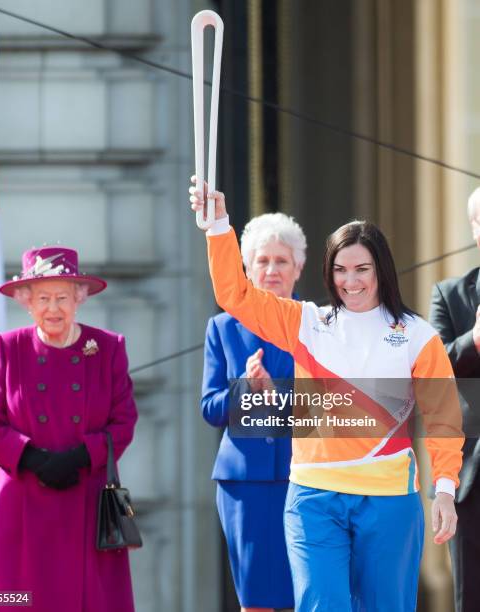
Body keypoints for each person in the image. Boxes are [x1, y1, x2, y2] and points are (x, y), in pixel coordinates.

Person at [190, 180, 463, 612]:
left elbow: (445, 419)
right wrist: (219, 225)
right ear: (327, 272)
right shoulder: (307, 323)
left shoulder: (417, 336)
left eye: (362, 269)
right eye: (340, 269)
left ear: (382, 270)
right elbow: (234, 295)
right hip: (314, 497)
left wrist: (444, 490)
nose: (350, 281)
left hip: (389, 498)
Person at [0, 246, 138, 612]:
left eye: (62, 297)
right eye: (43, 298)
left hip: (88, 500)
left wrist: (82, 456)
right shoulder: (9, 347)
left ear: (79, 299)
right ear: (26, 302)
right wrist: (30, 457)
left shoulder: (108, 348)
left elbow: (124, 420)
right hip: (23, 503)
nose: (53, 308)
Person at [202, 212, 306, 612]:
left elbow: (331, 402)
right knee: (257, 599)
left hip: (306, 475)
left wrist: (273, 391)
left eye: (282, 261)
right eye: (262, 261)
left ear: (298, 267)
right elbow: (209, 407)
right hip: (244, 484)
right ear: (245, 267)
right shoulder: (223, 328)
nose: (272, 270)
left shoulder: (317, 324)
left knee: (308, 592)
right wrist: (246, 390)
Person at [429, 186, 480, 612]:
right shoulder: (449, 295)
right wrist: (475, 339)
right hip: (470, 477)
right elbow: (432, 372)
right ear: (474, 229)